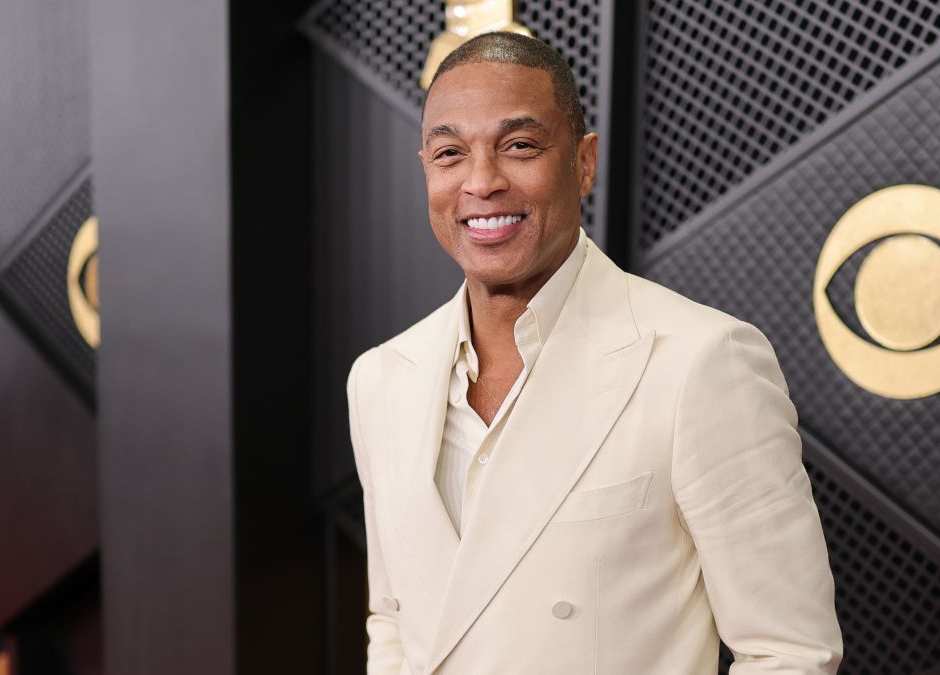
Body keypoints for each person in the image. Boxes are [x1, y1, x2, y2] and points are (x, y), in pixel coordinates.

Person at [346, 31, 843, 675]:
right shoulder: (383, 379)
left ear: (584, 162)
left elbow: (790, 652)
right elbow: (393, 617)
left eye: (520, 146)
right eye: (449, 154)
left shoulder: (700, 361)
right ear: (426, 171)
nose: (481, 181)